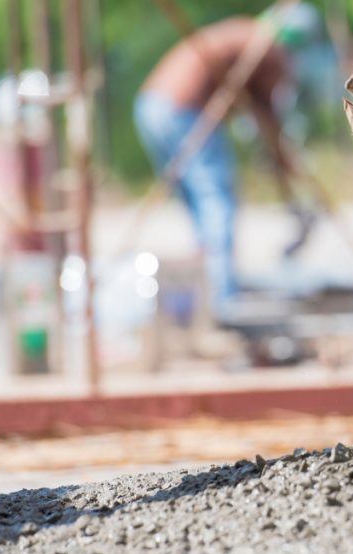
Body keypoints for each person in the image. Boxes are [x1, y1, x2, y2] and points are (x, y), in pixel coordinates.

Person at [133, 6, 321, 323]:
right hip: (183, 109)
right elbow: (269, 117)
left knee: (198, 205)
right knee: (216, 198)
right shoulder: (268, 49)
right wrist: (286, 165)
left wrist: (279, 159)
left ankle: (207, 286)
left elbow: (260, 115)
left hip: (151, 106)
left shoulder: (244, 35)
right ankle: (222, 298)